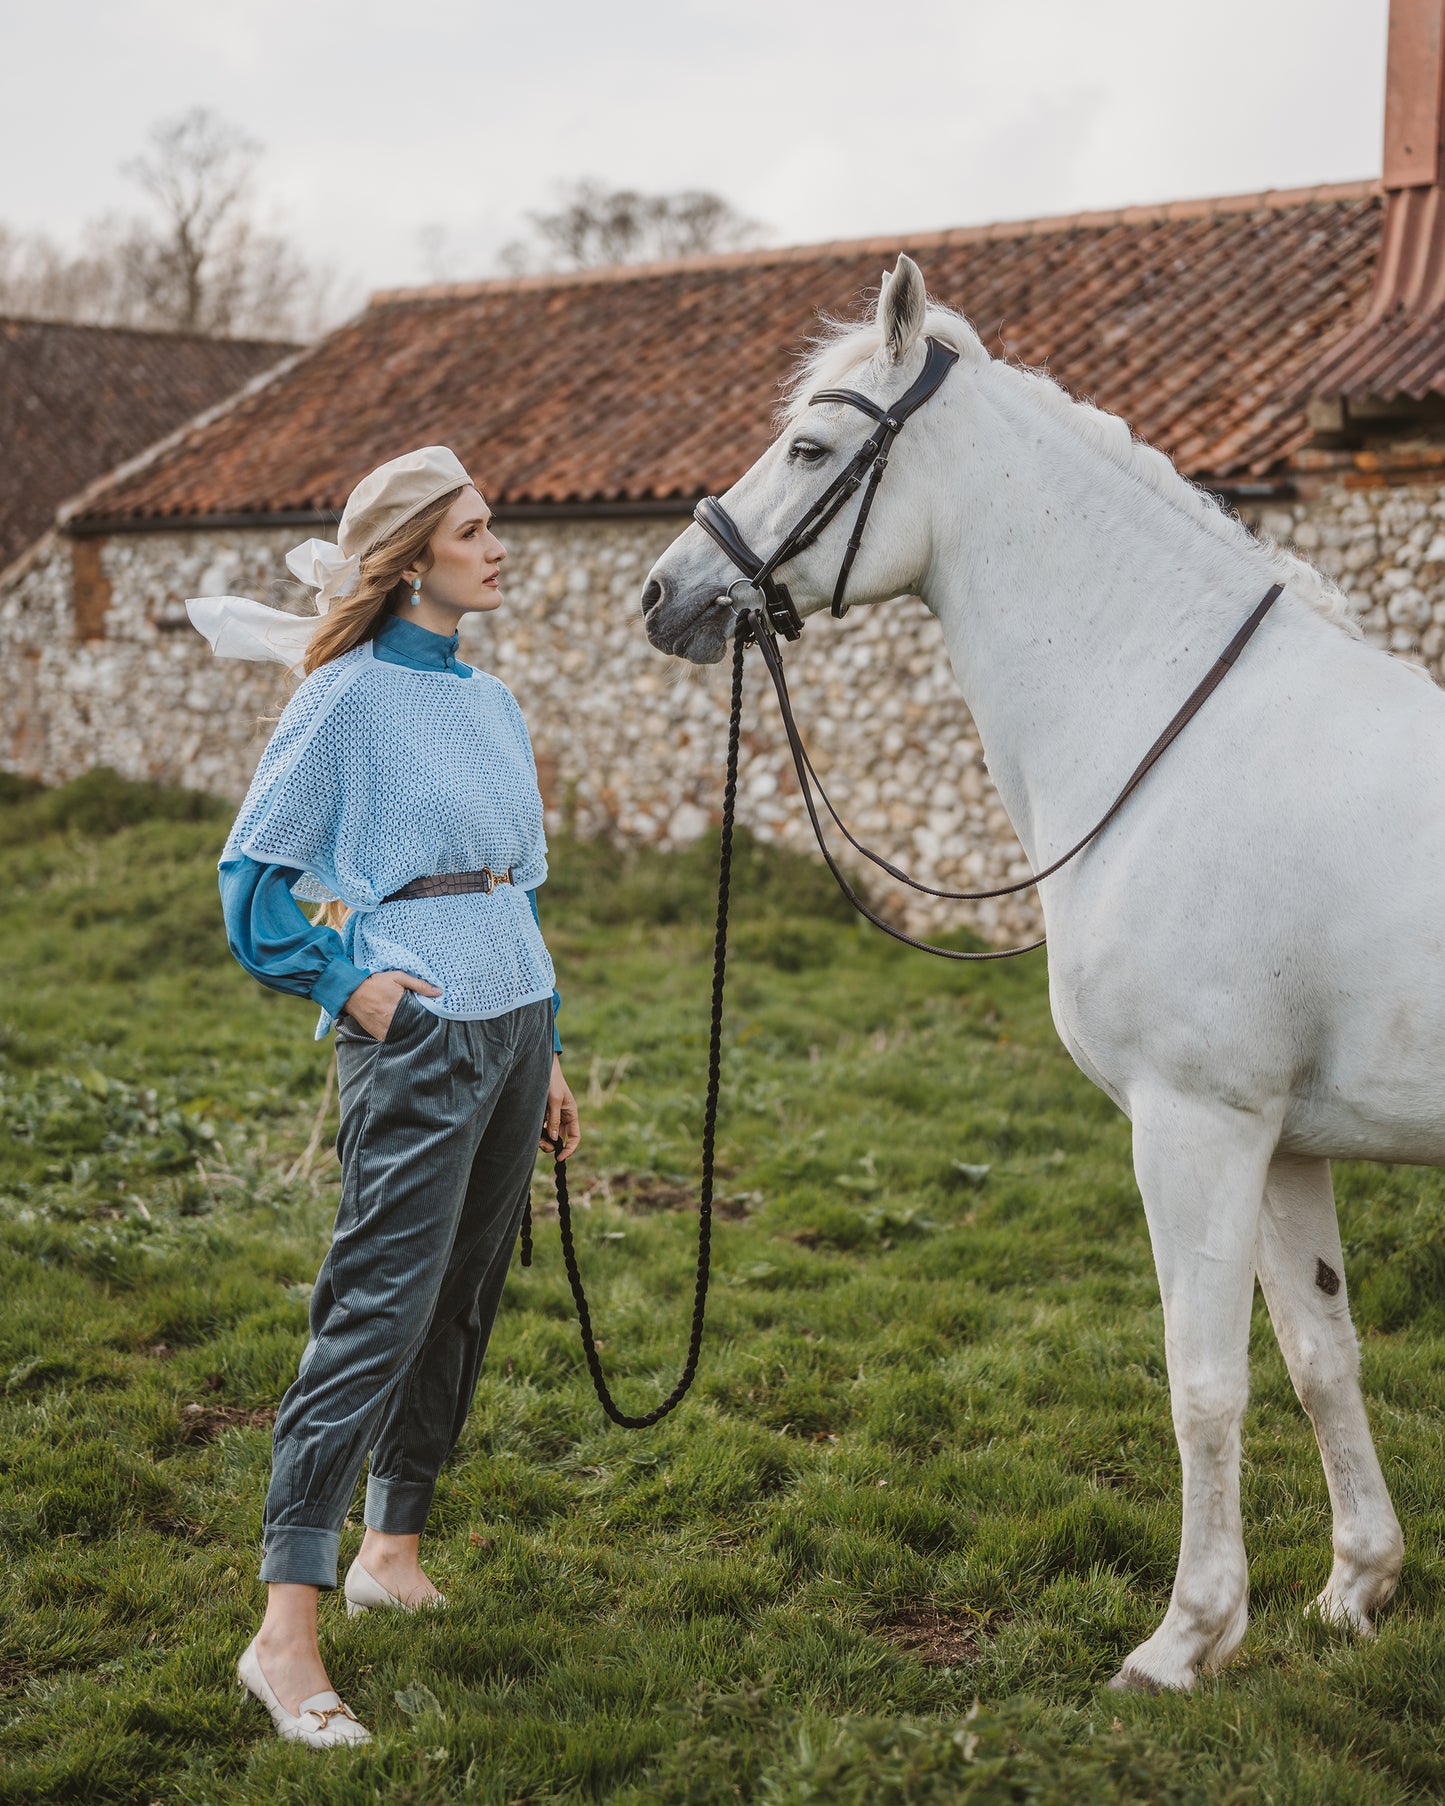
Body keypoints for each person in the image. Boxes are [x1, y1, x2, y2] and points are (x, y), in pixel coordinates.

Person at [188, 446, 581, 1748]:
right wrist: (360, 990)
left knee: (462, 1300)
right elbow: (253, 893)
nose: (500, 544)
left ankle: (391, 1548)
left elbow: (509, 883)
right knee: (375, 1312)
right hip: (415, 1032)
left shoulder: (494, 700)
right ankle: (281, 1632)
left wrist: (553, 1051)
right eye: (477, 529)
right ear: (414, 556)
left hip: (512, 1021)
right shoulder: (343, 696)